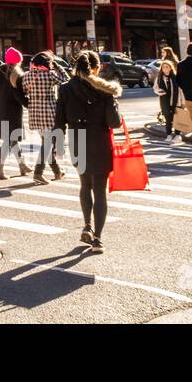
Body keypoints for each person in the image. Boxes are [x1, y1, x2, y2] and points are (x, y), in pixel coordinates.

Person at [54, 50, 122, 252]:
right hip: (99, 139)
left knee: (85, 184)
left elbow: (59, 120)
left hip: (77, 138)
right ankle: (98, 239)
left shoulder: (65, 89)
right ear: (97, 67)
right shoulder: (105, 90)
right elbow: (114, 122)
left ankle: (86, 226)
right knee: (99, 189)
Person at [22, 51, 64, 184]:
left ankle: (57, 171)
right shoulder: (50, 75)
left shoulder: (27, 76)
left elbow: (24, 90)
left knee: (46, 143)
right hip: (49, 114)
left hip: (35, 115)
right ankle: (38, 173)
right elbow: (65, 80)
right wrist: (57, 66)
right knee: (47, 144)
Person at [0, 47, 29, 180]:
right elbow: (18, 95)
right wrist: (29, 104)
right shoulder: (17, 74)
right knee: (9, 139)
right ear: (18, 61)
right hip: (12, 111)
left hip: (0, 110)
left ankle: (22, 165)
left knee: (12, 139)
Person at [152, 57, 181, 142]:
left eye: (167, 67)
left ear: (171, 68)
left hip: (176, 100)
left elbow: (181, 90)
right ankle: (169, 134)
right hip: (164, 100)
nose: (165, 68)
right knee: (168, 117)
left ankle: (177, 135)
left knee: (176, 117)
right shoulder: (159, 77)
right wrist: (159, 92)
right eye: (163, 67)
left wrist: (182, 102)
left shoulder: (175, 77)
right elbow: (155, 88)